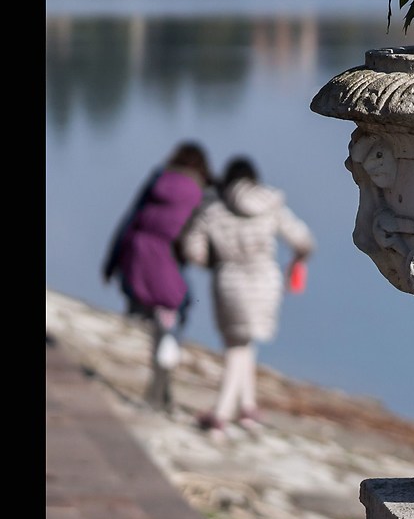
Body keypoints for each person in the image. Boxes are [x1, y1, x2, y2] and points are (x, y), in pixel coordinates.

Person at [179, 155, 314, 435]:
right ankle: (239, 409)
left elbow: (192, 249)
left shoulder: (213, 208)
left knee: (236, 344)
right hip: (265, 280)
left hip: (229, 280)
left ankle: (225, 412)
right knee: (243, 343)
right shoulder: (270, 204)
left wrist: (213, 263)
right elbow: (303, 240)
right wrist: (299, 260)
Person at [102, 142, 212, 414]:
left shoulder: (158, 179)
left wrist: (111, 263)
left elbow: (130, 220)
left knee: (161, 323)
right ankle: (158, 394)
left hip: (138, 255)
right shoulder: (201, 193)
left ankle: (162, 392)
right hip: (167, 260)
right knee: (176, 316)